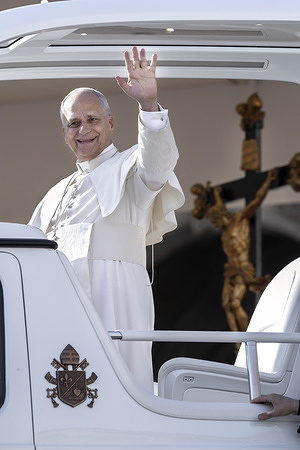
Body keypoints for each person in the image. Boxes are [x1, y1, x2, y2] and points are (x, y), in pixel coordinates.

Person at [29, 47, 185, 392]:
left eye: (92, 119)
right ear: (65, 133)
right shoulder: (55, 193)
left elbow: (158, 164)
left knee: (117, 387)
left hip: (116, 298)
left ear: (111, 123)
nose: (83, 129)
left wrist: (148, 103)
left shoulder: (132, 169)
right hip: (61, 306)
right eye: (74, 123)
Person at [191, 168, 278, 337]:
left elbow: (256, 201)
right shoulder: (224, 228)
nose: (216, 225)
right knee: (226, 304)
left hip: (243, 269)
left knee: (236, 303)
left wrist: (268, 180)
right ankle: (237, 342)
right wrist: (216, 195)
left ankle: (246, 337)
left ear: (223, 216)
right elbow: (220, 206)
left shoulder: (239, 220)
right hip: (231, 269)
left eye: (216, 221)